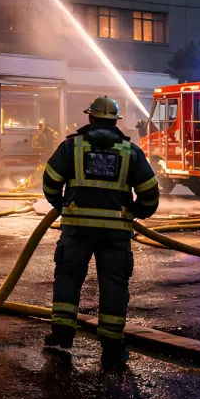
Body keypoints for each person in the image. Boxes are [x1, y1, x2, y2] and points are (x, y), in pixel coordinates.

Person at [42, 96, 159, 369]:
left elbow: (50, 180)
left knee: (68, 278)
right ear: (115, 121)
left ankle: (61, 335)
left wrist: (60, 204)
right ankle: (111, 350)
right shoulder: (130, 152)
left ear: (91, 118)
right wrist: (137, 211)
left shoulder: (73, 146)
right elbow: (150, 193)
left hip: (76, 230)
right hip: (116, 233)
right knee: (114, 286)